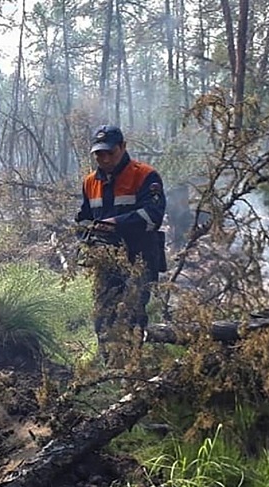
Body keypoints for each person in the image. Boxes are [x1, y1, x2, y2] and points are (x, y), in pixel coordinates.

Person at [75, 125, 166, 364]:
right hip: (105, 260)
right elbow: (83, 219)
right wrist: (86, 239)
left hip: (140, 258)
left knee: (132, 314)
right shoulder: (90, 182)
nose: (104, 159)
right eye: (99, 154)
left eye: (109, 153)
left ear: (123, 147)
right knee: (103, 317)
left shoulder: (145, 175)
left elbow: (153, 215)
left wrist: (116, 223)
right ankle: (109, 367)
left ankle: (132, 368)